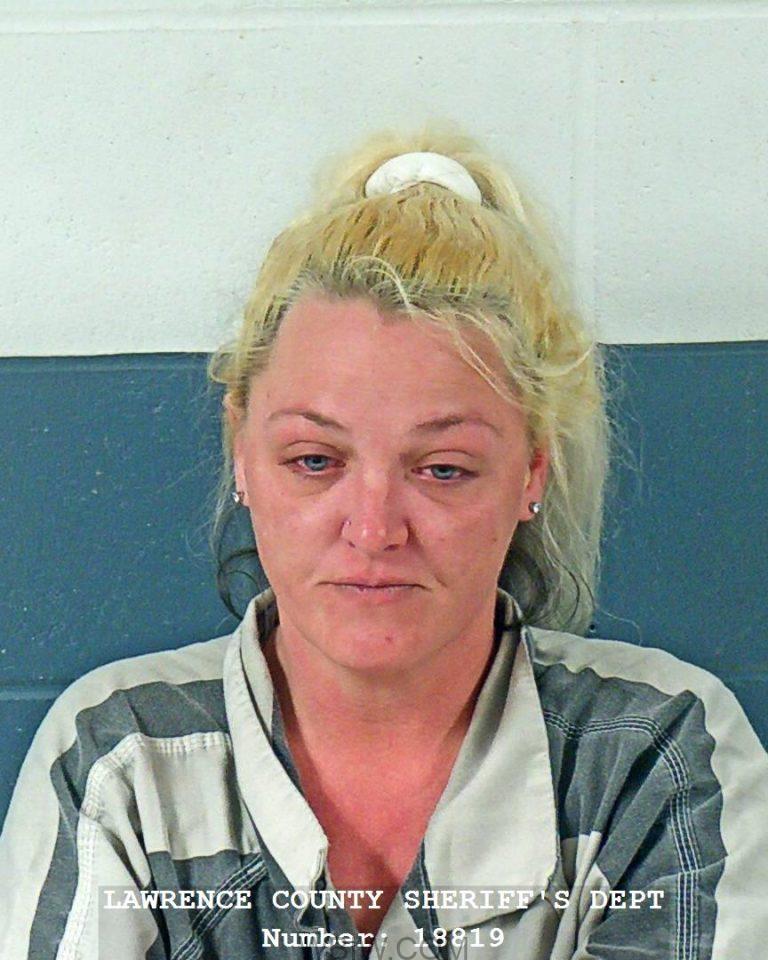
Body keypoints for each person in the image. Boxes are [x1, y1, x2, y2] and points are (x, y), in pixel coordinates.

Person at [1, 123, 766, 960]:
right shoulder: (118, 761)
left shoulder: (659, 756)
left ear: (531, 473)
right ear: (242, 454)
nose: (372, 530)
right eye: (315, 461)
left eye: (442, 469)